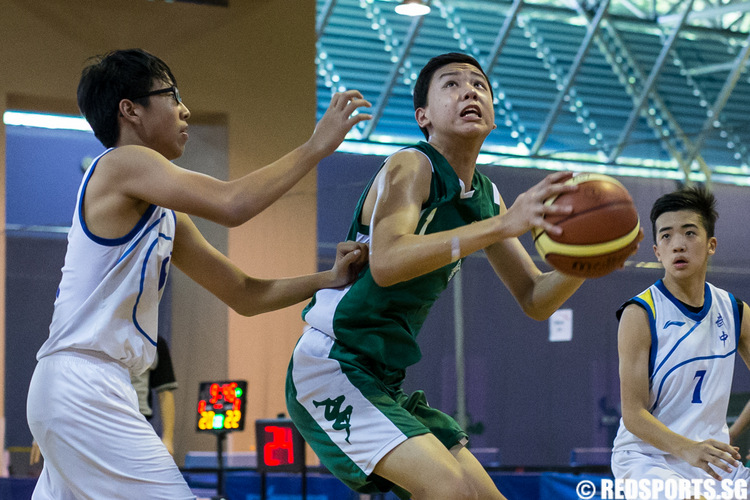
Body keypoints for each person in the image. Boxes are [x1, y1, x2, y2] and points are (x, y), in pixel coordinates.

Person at [25, 48, 370, 500]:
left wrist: (327, 279)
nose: (184, 109)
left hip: (84, 388)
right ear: (130, 110)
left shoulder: (164, 214)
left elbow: (245, 294)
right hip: (85, 386)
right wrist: (315, 146)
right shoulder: (122, 161)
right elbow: (233, 204)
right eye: (171, 94)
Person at [285, 52, 628, 500]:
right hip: (330, 363)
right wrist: (500, 226)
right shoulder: (411, 164)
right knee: (446, 488)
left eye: (479, 85)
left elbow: (534, 298)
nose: (470, 90)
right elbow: (386, 263)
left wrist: (587, 261)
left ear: (492, 114)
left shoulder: (486, 198)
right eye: (451, 84)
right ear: (422, 116)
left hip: (384, 378)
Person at [611, 186, 750, 498]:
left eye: (689, 233)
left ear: (711, 244)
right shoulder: (640, 313)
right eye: (666, 236)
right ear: (657, 251)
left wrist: (731, 435)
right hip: (647, 459)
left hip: (711, 461)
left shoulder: (735, 311)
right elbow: (633, 415)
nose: (677, 245)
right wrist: (690, 450)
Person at [130, 336, 178, 455]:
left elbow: (165, 392)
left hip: (138, 422)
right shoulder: (101, 335)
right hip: (104, 417)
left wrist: (167, 439)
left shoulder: (154, 341)